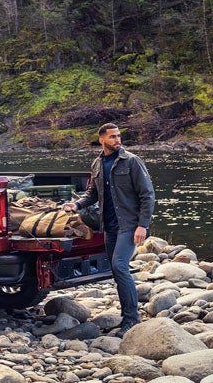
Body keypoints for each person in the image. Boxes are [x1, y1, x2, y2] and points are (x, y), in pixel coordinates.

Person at [62, 123, 155, 337]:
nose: (117, 140)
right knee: (116, 270)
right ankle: (126, 316)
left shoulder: (132, 161)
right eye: (112, 136)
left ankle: (132, 319)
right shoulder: (97, 163)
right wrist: (76, 205)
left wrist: (142, 225)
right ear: (102, 139)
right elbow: (92, 194)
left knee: (120, 266)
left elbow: (147, 194)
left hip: (129, 225)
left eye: (119, 136)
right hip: (109, 226)